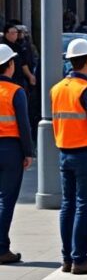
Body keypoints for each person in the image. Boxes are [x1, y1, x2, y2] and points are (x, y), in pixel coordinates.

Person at [52, 38, 87, 274]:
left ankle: (67, 258)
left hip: (65, 152)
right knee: (84, 206)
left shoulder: (57, 88)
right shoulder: (86, 90)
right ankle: (80, 258)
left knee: (68, 205)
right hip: (85, 153)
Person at [0, 45, 33, 264]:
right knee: (6, 199)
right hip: (10, 149)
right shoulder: (15, 91)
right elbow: (24, 124)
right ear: (10, 65)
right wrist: (28, 152)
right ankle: (2, 248)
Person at [2, 24, 34, 89]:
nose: (15, 35)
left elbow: (23, 64)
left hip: (19, 79)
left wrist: (30, 76)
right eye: (12, 33)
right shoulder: (2, 47)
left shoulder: (18, 47)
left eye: (16, 33)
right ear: (6, 34)